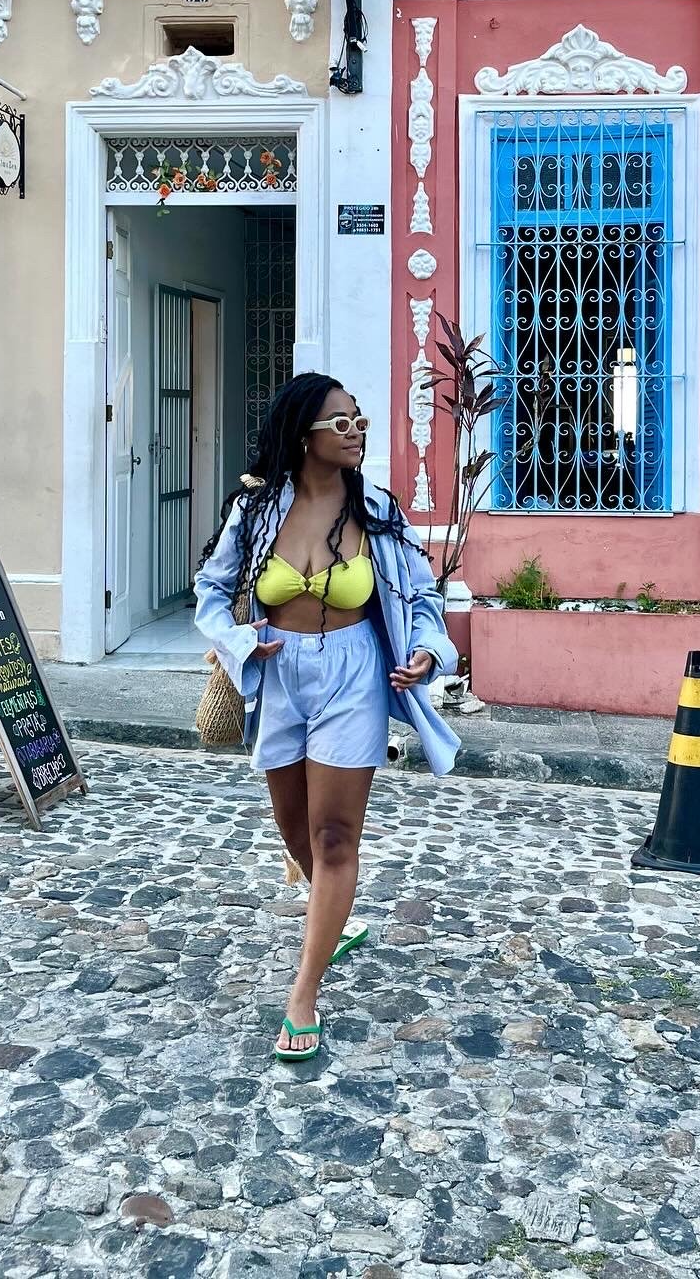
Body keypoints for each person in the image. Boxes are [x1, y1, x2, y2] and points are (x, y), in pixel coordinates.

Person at [194, 372, 461, 1063]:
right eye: (340, 422)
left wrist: (428, 653)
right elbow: (213, 590)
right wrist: (240, 641)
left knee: (335, 836)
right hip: (280, 676)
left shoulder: (375, 511)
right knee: (295, 833)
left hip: (354, 674)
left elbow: (422, 597)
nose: (356, 431)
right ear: (303, 433)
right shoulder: (256, 513)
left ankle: (303, 993)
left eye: (359, 419)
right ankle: (331, 917)